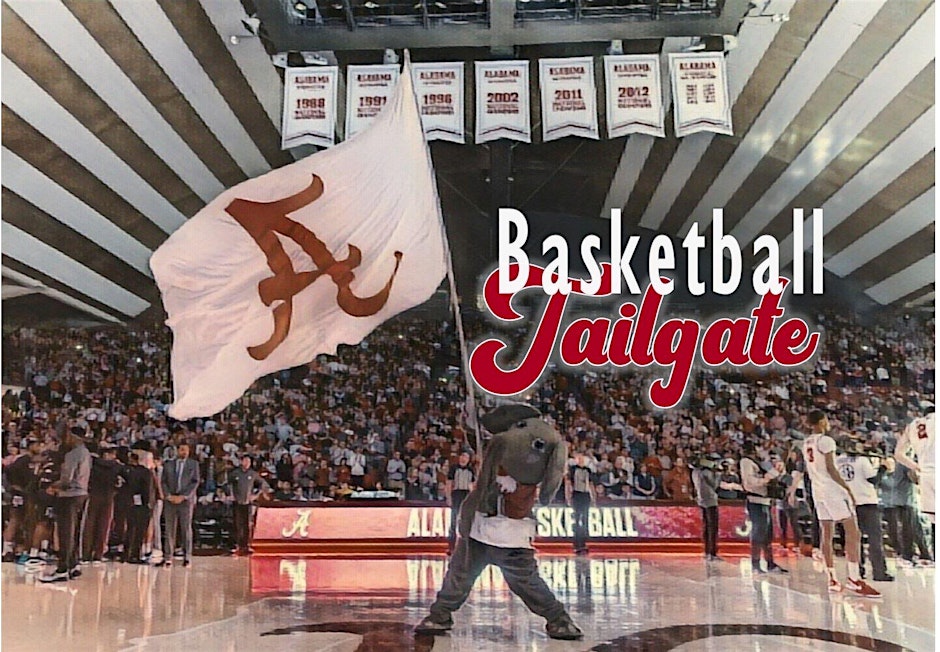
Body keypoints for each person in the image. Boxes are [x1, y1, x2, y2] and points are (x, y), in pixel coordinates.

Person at [802, 410, 880, 597]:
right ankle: (854, 579)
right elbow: (831, 468)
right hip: (831, 490)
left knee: (826, 534)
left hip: (817, 491)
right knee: (853, 532)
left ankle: (832, 579)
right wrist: (847, 489)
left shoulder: (805, 443)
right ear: (821, 421)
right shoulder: (826, 441)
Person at [40, 427, 91, 582]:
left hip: (69, 495)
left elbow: (66, 480)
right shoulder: (86, 453)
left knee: (65, 532)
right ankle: (74, 564)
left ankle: (62, 569)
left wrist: (53, 487)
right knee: (75, 531)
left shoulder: (72, 454)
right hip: (82, 493)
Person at [836, 441, 893, 581]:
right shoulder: (862, 460)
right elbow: (874, 480)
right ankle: (879, 572)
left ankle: (857, 571)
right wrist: (883, 468)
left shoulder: (838, 461)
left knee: (855, 539)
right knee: (875, 539)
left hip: (849, 503)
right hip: (867, 502)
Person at [740, 443, 787, 575]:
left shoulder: (763, 463)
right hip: (756, 502)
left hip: (766, 501)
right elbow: (749, 482)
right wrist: (767, 478)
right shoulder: (746, 462)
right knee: (758, 534)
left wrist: (777, 470)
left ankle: (770, 563)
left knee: (767, 535)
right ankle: (755, 564)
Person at [895, 407, 935, 554]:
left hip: (925, 474)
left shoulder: (912, 425)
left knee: (934, 521)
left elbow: (898, 454)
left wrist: (916, 467)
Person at [160, 442, 200, 567]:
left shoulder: (193, 464)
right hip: (170, 500)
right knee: (169, 529)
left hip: (185, 501)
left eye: (186, 450)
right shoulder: (168, 464)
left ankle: (187, 556)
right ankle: (168, 557)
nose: (184, 452)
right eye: (182, 450)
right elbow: (163, 481)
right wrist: (168, 495)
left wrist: (184, 496)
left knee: (186, 528)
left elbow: (195, 482)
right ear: (177, 450)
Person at [82, 444, 121, 563]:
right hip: (108, 496)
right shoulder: (117, 467)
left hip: (93, 495)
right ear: (107, 454)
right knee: (104, 526)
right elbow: (119, 482)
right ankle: (99, 553)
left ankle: (85, 553)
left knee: (89, 525)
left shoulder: (92, 465)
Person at [228, 455, 271, 555]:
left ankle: (246, 545)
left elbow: (263, 484)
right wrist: (231, 494)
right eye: (245, 461)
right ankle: (236, 545)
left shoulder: (253, 474)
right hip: (237, 502)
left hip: (248, 502)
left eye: (249, 461)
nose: (247, 463)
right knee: (237, 524)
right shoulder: (235, 473)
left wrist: (255, 495)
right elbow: (227, 484)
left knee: (248, 524)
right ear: (241, 461)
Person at [880, 456, 916, 566]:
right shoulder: (882, 473)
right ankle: (899, 551)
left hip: (905, 502)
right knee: (893, 529)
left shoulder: (904, 467)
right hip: (888, 504)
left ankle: (908, 554)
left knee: (907, 528)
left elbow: (914, 479)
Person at [122, 451, 154, 564]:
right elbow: (146, 490)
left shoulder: (126, 471)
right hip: (142, 504)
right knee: (139, 530)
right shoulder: (145, 472)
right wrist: (148, 503)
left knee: (130, 529)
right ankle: (134, 555)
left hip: (129, 502)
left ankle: (126, 554)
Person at [691, 453, 722, 561]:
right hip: (710, 501)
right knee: (712, 528)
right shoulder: (707, 472)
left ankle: (707, 551)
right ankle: (712, 553)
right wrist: (718, 474)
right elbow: (714, 485)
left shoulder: (695, 472)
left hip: (701, 500)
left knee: (706, 527)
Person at [566, 454, 595, 555]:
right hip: (577, 494)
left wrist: (593, 497)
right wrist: (568, 496)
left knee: (585, 518)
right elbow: (568, 483)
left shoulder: (588, 470)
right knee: (577, 517)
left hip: (585, 494)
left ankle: (584, 541)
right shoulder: (573, 469)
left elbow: (590, 484)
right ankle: (577, 542)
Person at [446, 452, 475, 551]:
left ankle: (466, 547)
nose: (463, 459)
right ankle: (451, 547)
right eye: (462, 456)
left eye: (466, 457)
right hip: (456, 495)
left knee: (466, 520)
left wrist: (473, 498)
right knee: (454, 520)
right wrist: (449, 497)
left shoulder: (471, 470)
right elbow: (449, 483)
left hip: (466, 495)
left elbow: (472, 485)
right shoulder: (454, 469)